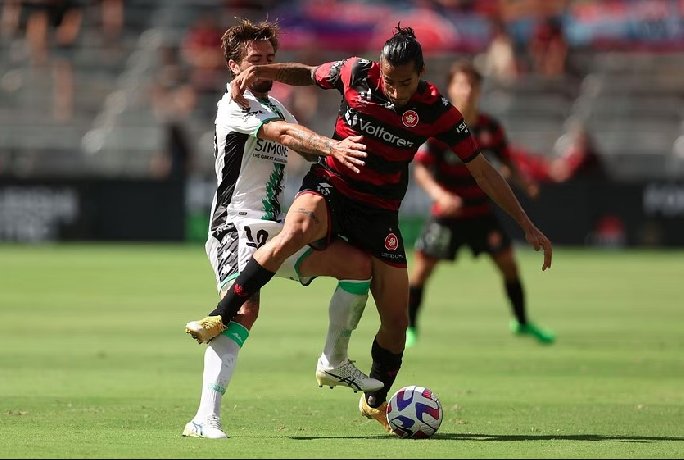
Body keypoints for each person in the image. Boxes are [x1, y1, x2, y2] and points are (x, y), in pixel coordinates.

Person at [187, 24, 553, 434]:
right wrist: (333, 147)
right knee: (256, 294)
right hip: (246, 220)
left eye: (406, 83)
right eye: (255, 62)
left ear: (421, 73)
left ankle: (351, 378)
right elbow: (305, 87)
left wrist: (526, 224)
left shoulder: (435, 111)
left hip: (372, 215)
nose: (395, 91)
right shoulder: (256, 100)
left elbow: (482, 170)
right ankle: (207, 399)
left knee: (380, 296)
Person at [182, 18, 383, 439]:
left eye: (270, 59)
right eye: (255, 60)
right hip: (236, 225)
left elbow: (304, 145)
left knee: (357, 266)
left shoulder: (274, 105)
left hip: (277, 229)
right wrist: (332, 145)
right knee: (244, 309)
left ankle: (333, 361)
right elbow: (290, 137)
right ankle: (204, 418)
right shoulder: (232, 107)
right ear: (234, 66)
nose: (265, 68)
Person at [406, 60, 555, 349]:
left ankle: (521, 322)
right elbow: (422, 170)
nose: (467, 90)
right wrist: (440, 195)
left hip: (480, 212)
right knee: (422, 270)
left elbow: (505, 160)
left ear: (479, 90)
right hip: (447, 214)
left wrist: (525, 182)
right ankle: (411, 328)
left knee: (509, 265)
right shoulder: (439, 127)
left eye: (473, 85)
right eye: (461, 84)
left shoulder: (490, 128)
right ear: (451, 88)